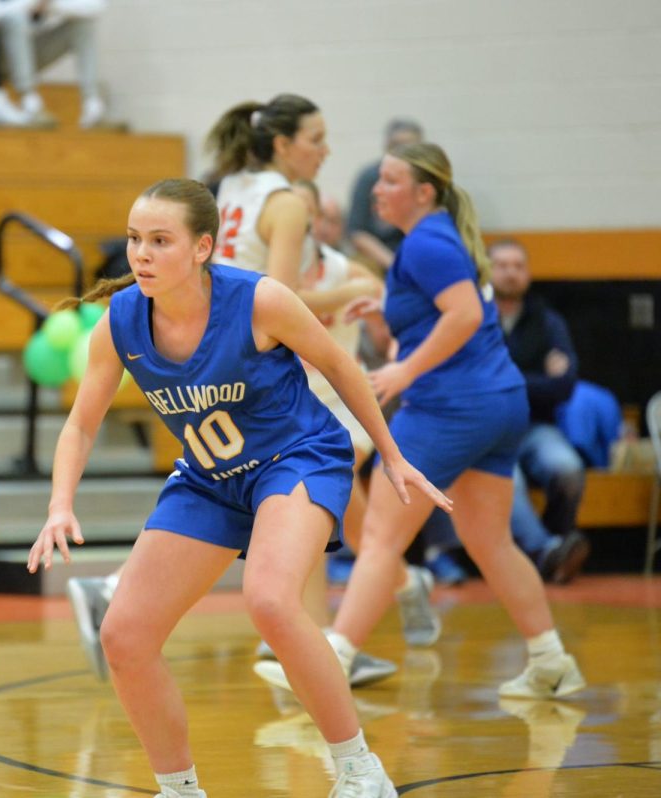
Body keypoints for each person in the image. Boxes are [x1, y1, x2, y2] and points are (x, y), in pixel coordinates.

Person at [29, 177, 452, 798]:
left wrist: (392, 455)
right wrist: (59, 504)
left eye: (159, 241)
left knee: (272, 601)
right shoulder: (120, 322)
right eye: (134, 240)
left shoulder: (259, 300)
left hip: (296, 459)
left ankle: (361, 770)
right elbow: (82, 423)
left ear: (202, 248)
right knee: (124, 634)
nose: (140, 254)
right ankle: (179, 789)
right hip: (209, 479)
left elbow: (339, 365)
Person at [255, 142, 586, 702]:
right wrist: (383, 309)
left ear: (423, 191)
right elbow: (442, 308)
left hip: (450, 407)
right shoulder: (429, 241)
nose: (376, 191)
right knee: (489, 540)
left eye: (388, 181)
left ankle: (333, 660)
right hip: (497, 403)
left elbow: (464, 314)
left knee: (382, 536)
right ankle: (552, 662)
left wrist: (405, 368)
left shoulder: (429, 241)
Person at [208, 97, 439, 653]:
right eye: (316, 138)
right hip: (271, 368)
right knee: (317, 508)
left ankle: (310, 641)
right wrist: (351, 293)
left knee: (306, 501)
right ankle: (390, 590)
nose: (326, 150)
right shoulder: (283, 203)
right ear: (283, 145)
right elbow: (280, 303)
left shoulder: (232, 185)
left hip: (259, 364)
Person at [490, 238, 591, 583]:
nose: (511, 273)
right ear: (488, 271)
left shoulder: (548, 321)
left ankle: (558, 545)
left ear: (528, 273)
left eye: (518, 266)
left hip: (536, 426)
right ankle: (545, 552)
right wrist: (537, 378)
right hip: (488, 433)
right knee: (508, 482)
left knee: (568, 468)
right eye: (502, 265)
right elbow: (476, 384)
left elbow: (565, 386)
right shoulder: (473, 318)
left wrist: (507, 378)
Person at [0, 0, 107, 128]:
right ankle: (30, 103)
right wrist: (31, 4)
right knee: (16, 19)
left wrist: (48, 3)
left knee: (82, 25)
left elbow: (96, 6)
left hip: (31, 54)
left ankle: (92, 107)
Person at [346, 117, 423, 272]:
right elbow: (357, 232)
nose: (404, 152)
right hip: (379, 257)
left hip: (417, 252)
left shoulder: (427, 181)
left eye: (411, 147)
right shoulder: (369, 177)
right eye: (398, 146)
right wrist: (393, 263)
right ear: (387, 148)